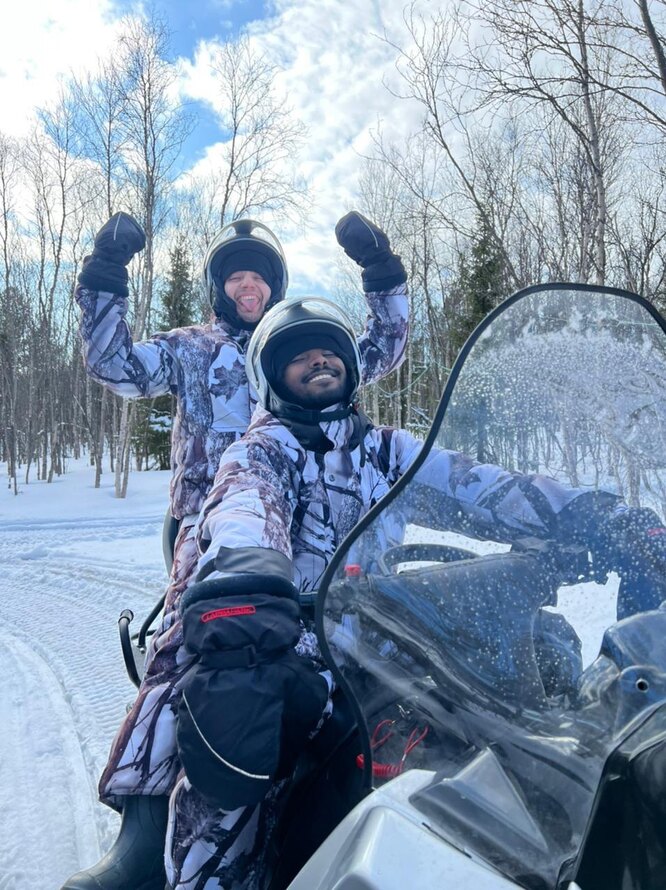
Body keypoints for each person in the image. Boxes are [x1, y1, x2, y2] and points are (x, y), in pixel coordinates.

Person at [164, 297, 666, 889]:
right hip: (288, 645)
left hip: (384, 642)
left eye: (330, 352)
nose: (320, 362)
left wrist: (595, 518)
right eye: (301, 357)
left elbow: (480, 487)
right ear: (272, 378)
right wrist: (247, 578)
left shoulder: (385, 450)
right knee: (231, 780)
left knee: (528, 692)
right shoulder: (262, 451)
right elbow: (246, 508)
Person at [62, 214, 409, 890]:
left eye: (259, 277)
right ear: (221, 288)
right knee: (196, 654)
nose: (247, 287)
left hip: (321, 536)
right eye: (235, 277)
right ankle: (143, 844)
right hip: (211, 534)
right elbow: (116, 365)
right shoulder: (193, 348)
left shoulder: (297, 346)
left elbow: (384, 346)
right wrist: (105, 275)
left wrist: (382, 272)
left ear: (275, 285)